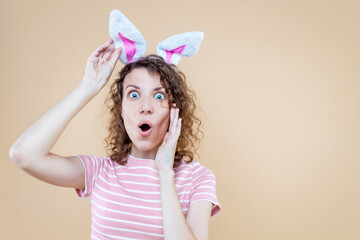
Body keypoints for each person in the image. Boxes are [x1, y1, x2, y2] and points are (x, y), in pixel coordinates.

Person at [9, 38, 221, 239]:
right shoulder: (99, 172)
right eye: (134, 94)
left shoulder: (197, 178)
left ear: (174, 110)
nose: (145, 107)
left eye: (159, 96)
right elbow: (23, 154)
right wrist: (88, 87)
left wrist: (165, 173)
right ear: (121, 109)